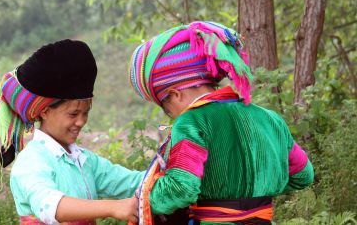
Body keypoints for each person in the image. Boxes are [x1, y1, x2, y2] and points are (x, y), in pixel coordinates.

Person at [128, 21, 314, 225]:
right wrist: (260, 187)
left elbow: (181, 189)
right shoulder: (271, 119)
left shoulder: (192, 122)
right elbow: (303, 175)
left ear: (175, 94)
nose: (173, 117)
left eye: (167, 108)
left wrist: (143, 200)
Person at [0, 39, 144, 225]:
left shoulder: (86, 161)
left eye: (85, 113)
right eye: (73, 114)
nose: (81, 122)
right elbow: (49, 205)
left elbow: (134, 183)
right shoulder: (31, 162)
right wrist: (114, 207)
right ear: (45, 112)